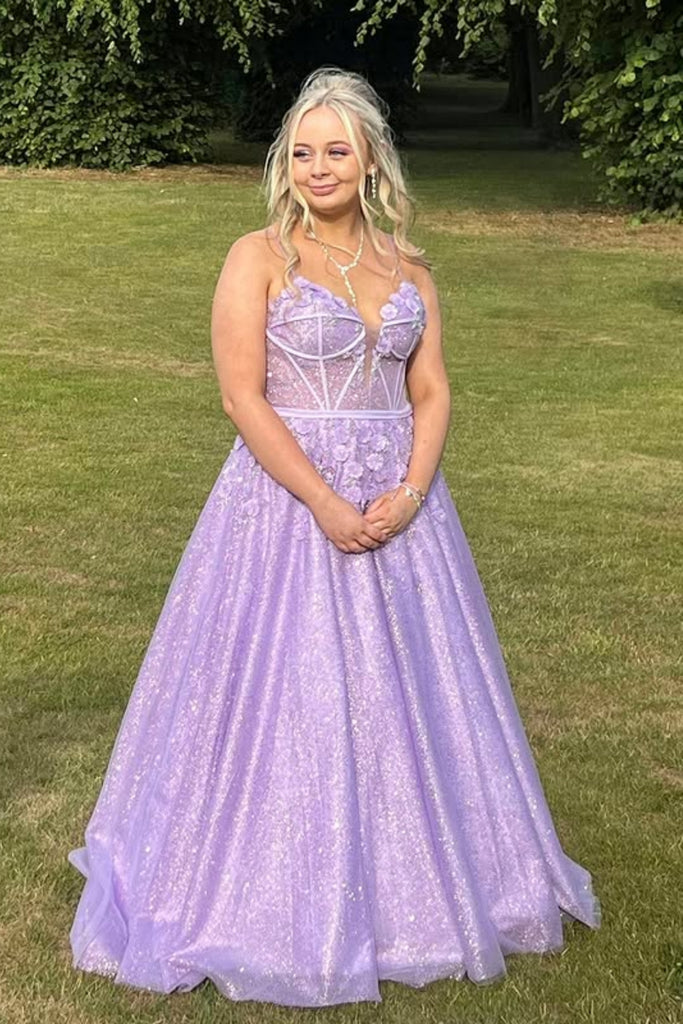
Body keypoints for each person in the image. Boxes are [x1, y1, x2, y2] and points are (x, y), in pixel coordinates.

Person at [67, 66, 601, 1008]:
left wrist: (411, 491)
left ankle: (422, 886)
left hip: (403, 511)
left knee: (418, 690)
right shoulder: (256, 258)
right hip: (283, 506)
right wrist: (321, 500)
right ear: (287, 164)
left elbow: (431, 389)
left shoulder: (410, 268)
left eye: (337, 151)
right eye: (303, 152)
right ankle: (262, 883)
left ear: (370, 163)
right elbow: (243, 396)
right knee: (284, 687)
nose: (318, 167)